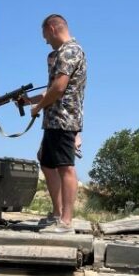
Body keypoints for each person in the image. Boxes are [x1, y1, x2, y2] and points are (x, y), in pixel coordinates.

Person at [22, 14, 87, 233]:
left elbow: (59, 88)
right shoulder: (61, 53)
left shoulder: (69, 51)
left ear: (52, 28)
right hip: (55, 119)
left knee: (65, 166)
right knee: (47, 163)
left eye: (45, 36)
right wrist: (28, 101)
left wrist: (37, 108)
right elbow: (53, 89)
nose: (45, 41)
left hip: (63, 119)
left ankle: (66, 221)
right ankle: (58, 213)